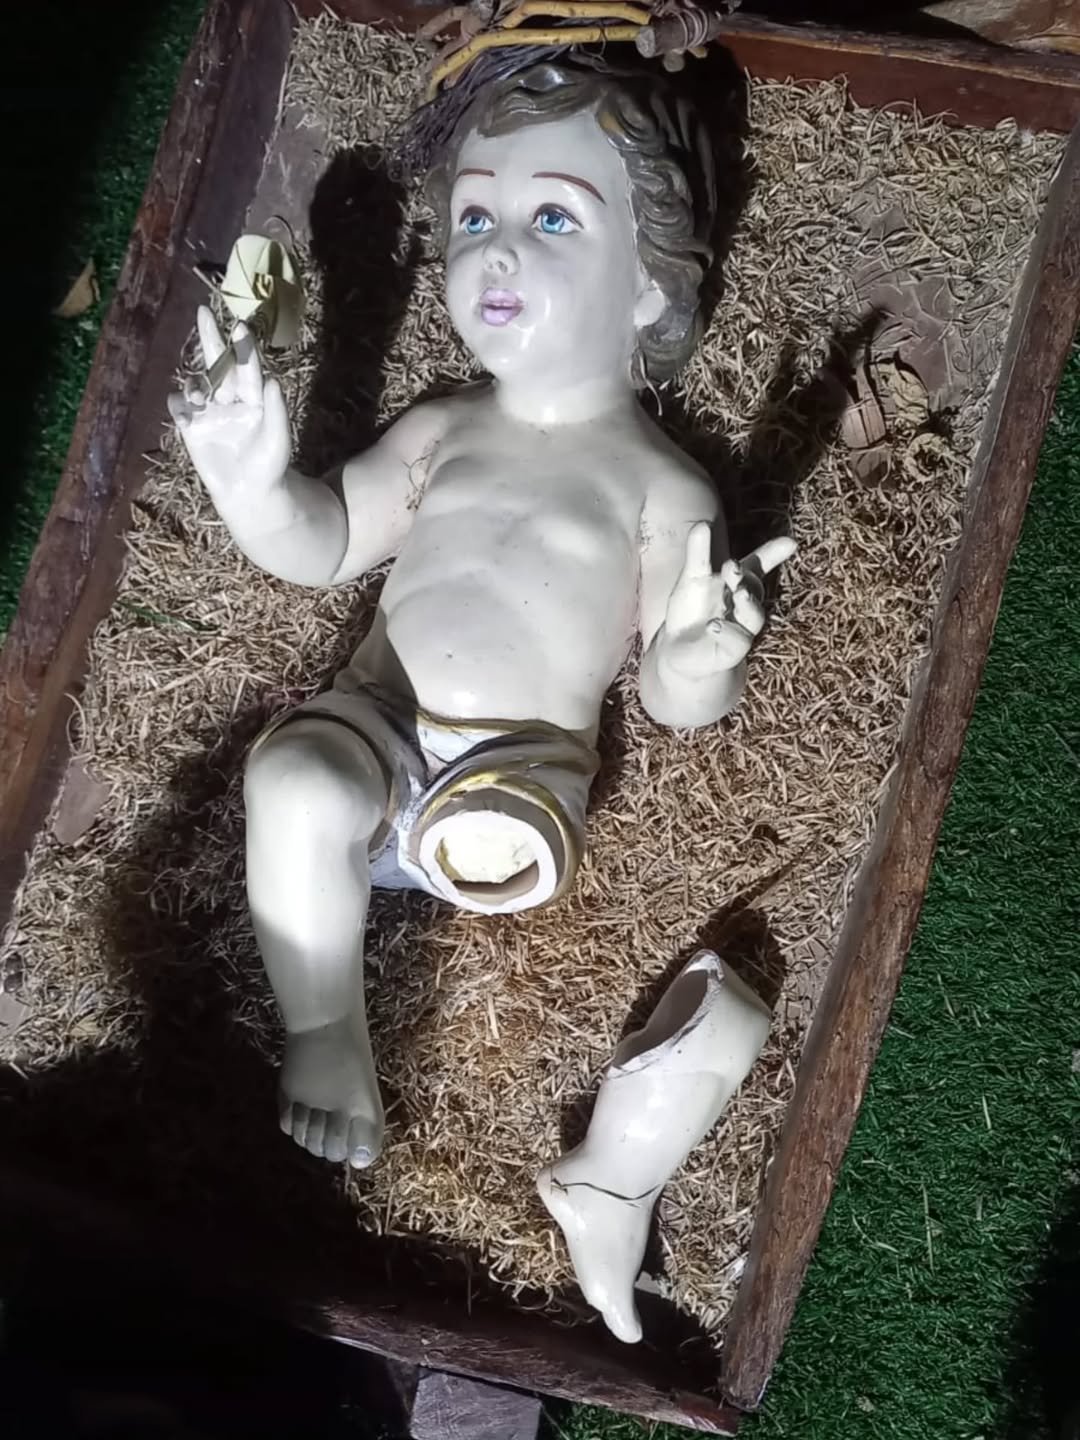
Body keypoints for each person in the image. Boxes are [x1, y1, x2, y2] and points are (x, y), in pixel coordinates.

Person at [168, 60, 794, 1172]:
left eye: (552, 218)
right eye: (473, 215)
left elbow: (670, 698)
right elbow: (326, 546)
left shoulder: (662, 487)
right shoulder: (443, 429)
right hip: (373, 721)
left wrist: (702, 655)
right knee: (295, 781)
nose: (493, 249)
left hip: (515, 773)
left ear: (649, 289)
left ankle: (430, 854)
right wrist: (253, 485)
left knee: (496, 835)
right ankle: (327, 1032)